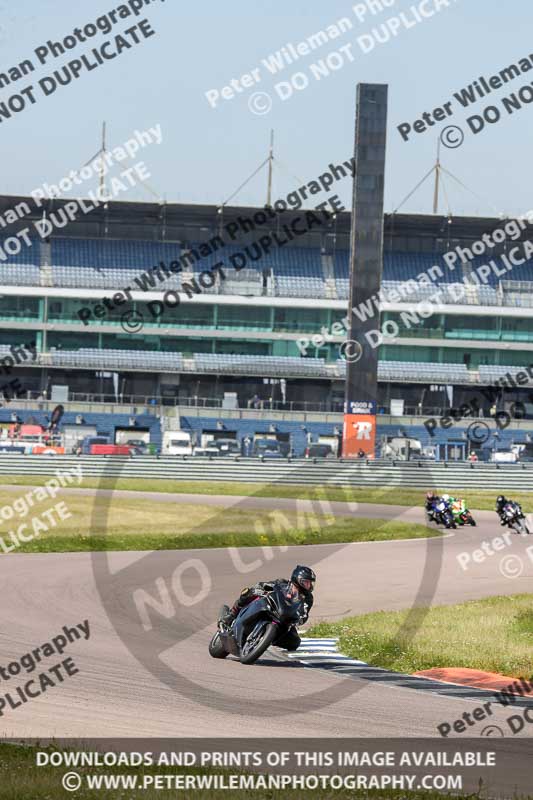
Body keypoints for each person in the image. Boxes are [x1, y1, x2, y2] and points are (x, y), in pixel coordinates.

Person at [223, 565, 316, 651]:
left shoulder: (308, 598)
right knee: (247, 593)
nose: (309, 585)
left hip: (286, 619)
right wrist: (259, 589)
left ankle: (268, 639)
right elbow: (266, 585)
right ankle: (232, 614)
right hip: (271, 606)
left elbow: (305, 612)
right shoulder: (282, 583)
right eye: (306, 582)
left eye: (310, 583)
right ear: (298, 579)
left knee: (295, 642)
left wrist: (299, 620)